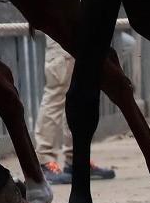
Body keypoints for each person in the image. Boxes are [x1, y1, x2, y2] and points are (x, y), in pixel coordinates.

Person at [34, 38, 117, 185]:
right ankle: (44, 161)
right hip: (62, 28)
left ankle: (76, 160)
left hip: (85, 31)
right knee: (57, 92)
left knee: (79, 94)